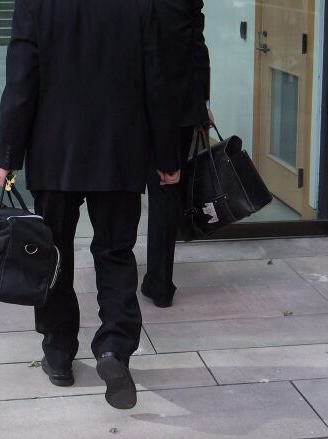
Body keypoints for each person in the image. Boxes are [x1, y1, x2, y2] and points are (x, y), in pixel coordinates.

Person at [0, 0, 183, 409]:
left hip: (55, 154)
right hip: (120, 153)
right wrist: (167, 157)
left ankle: (59, 353)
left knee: (53, 256)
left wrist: (7, 158)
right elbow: (158, 83)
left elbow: (20, 84)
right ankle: (114, 348)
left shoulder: (36, 6)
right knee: (115, 253)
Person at [142, 0, 214, 308]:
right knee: (167, 190)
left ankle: (117, 265)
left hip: (136, 107)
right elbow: (197, 50)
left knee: (121, 191)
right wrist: (204, 104)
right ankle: (160, 283)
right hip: (179, 108)